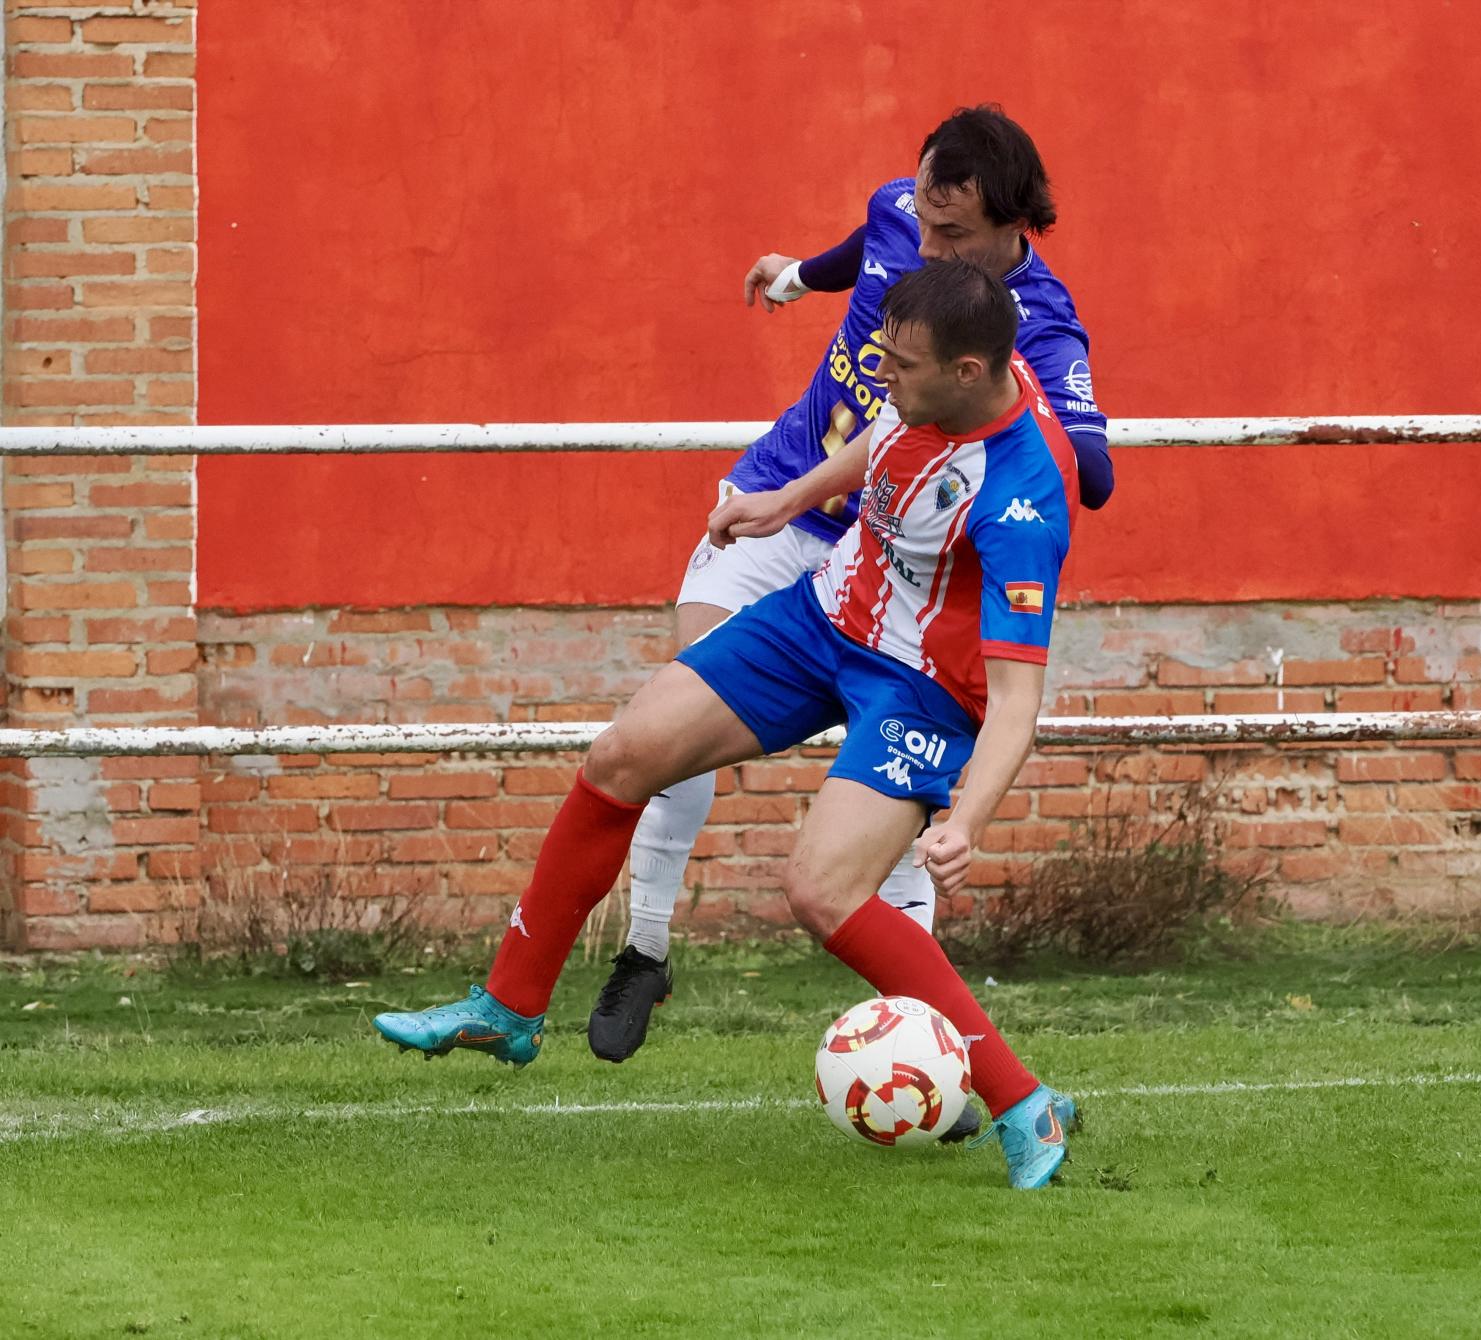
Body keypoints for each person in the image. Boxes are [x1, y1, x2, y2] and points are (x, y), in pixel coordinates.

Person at [376, 260, 1083, 1190]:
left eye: (905, 366)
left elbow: (1018, 696)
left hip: (919, 689)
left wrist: (969, 819)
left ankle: (1024, 1104)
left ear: (967, 371)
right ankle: (508, 1008)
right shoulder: (931, 393)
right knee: (622, 757)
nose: (886, 376)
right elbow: (879, 438)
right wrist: (783, 502)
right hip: (822, 618)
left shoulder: (1024, 501)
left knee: (823, 892)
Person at [591, 104, 1112, 1070]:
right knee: (675, 715)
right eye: (919, 216)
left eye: (950, 234)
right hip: (785, 497)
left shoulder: (1041, 328)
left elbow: (1090, 468)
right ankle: (645, 948)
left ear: (1014, 229)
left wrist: (1052, 451)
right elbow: (856, 246)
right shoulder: (903, 212)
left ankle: (934, 1041)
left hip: (899, 564)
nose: (924, 242)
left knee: (894, 801)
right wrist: (796, 277)